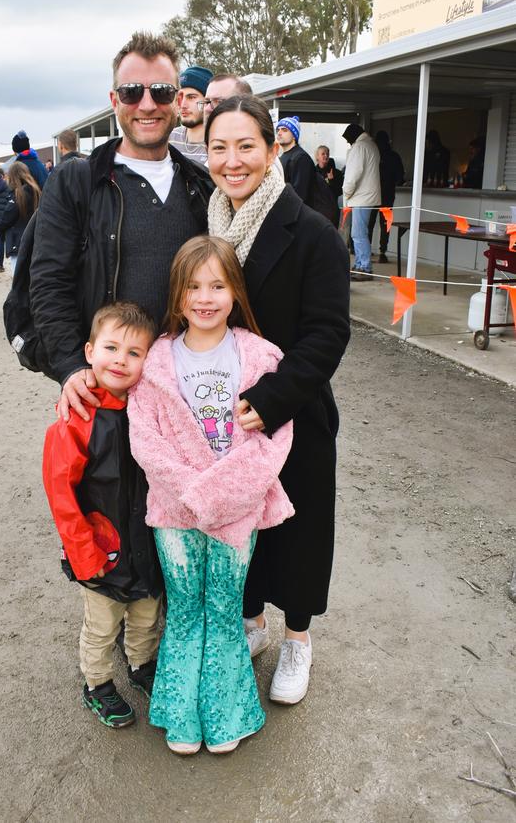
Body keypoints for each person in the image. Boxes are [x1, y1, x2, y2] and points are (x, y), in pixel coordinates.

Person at [205, 95, 350, 706]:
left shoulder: (311, 231)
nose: (232, 161)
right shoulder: (208, 225)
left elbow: (327, 334)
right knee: (240, 528)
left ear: (271, 149)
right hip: (222, 416)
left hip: (293, 413)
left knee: (299, 532)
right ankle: (253, 624)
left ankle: (298, 639)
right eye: (219, 147)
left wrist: (272, 400)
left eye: (245, 146)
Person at [128, 235, 294, 755]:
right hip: (174, 511)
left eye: (217, 285)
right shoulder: (154, 361)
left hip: (235, 513)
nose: (205, 297)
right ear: (177, 296)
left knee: (223, 608)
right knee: (183, 606)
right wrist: (192, 492)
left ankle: (228, 712)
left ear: (235, 292)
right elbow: (145, 439)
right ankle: (181, 713)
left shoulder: (260, 357)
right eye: (193, 287)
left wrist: (221, 495)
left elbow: (274, 439)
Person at [29, 31, 213, 417]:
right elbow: (49, 281)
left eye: (161, 91)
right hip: (107, 393)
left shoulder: (201, 186)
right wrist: (70, 366)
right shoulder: (77, 182)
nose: (147, 104)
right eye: (132, 92)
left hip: (185, 391)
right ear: (115, 101)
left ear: (179, 101)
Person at [42, 302, 162, 729]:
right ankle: (97, 684)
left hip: (146, 543)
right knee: (102, 625)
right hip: (100, 549)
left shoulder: (149, 408)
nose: (121, 360)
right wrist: (83, 553)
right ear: (89, 351)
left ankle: (142, 665)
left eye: (134, 352)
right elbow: (62, 494)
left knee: (147, 615)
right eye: (111, 347)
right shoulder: (76, 418)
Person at [342, 123, 381, 281]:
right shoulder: (371, 145)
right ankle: (360, 264)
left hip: (361, 197)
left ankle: (364, 267)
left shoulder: (359, 147)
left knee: (358, 234)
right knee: (360, 233)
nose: (347, 143)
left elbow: (353, 174)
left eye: (347, 139)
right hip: (367, 196)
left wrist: (346, 192)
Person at [0, 162, 41, 275]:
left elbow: (8, 216)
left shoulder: (19, 193)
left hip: (18, 240)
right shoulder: (36, 190)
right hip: (34, 238)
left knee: (18, 278)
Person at [368, 130, 404, 263]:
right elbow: (400, 177)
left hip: (373, 195)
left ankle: (367, 250)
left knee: (370, 223)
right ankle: (383, 252)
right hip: (388, 194)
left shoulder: (374, 155)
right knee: (385, 224)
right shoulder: (394, 156)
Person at [169, 65, 214, 165]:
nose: (183, 105)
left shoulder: (218, 144)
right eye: (179, 97)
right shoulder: (168, 138)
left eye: (191, 97)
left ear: (207, 101)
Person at [276, 116, 314, 204]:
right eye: (278, 130)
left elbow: (300, 194)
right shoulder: (283, 157)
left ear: (294, 135)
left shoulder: (301, 157)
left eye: (284, 130)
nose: (279, 133)